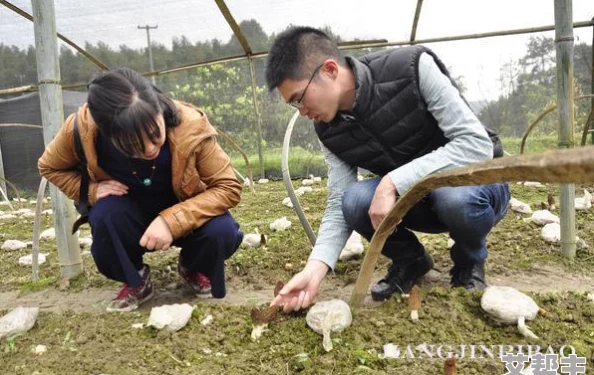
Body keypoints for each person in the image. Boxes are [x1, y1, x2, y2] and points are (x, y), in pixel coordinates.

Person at [265, 27, 510, 312]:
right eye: (293, 105)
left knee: (454, 198)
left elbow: (475, 145)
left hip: (475, 186)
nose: (301, 111)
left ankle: (469, 262)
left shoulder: (412, 68)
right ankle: (411, 261)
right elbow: (337, 203)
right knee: (353, 201)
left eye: (299, 97)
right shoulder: (328, 130)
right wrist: (314, 270)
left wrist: (392, 181)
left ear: (330, 70)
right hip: (416, 198)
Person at [38, 68, 243, 312]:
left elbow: (228, 186)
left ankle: (193, 266)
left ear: (159, 108)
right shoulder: (81, 130)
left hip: (185, 212)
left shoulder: (191, 125)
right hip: (128, 215)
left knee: (222, 232)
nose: (148, 149)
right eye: (131, 145)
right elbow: (49, 167)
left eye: (155, 134)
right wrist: (91, 191)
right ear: (107, 134)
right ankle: (136, 277)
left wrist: (171, 221)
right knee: (104, 216)